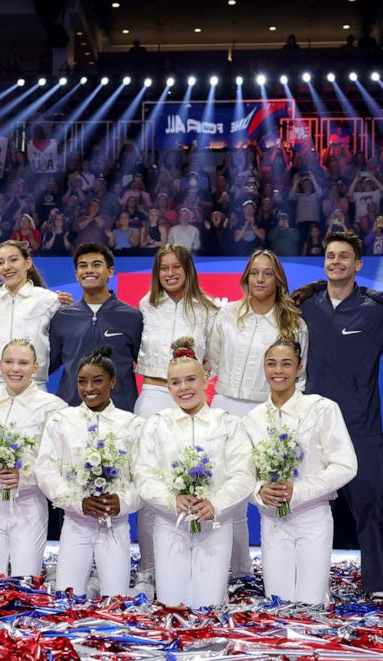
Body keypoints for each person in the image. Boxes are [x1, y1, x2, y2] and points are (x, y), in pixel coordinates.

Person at [297, 232, 383, 599]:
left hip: (360, 426)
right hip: (313, 428)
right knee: (307, 508)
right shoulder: (306, 306)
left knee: (369, 506)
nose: (336, 261)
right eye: (330, 256)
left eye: (344, 257)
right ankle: (306, 582)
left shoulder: (375, 310)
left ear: (358, 264)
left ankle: (378, 586)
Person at [208, 248, 308, 578]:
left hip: (268, 412)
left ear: (278, 279)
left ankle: (280, 571)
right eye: (255, 273)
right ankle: (236, 570)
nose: (260, 279)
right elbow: (212, 361)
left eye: (267, 273)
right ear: (246, 278)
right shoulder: (226, 315)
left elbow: (300, 378)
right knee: (227, 491)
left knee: (270, 490)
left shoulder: (293, 323)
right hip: (225, 406)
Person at [133, 337, 254, 607]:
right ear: (167, 386)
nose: (183, 388)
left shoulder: (228, 424)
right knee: (172, 606)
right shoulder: (156, 425)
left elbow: (243, 474)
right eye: (175, 382)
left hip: (214, 526)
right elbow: (143, 473)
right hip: (169, 526)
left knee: (209, 606)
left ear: (205, 380)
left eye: (190, 380)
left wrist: (216, 504)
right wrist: (171, 500)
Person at [241, 340, 357, 605]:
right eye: (271, 364)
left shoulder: (322, 409)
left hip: (313, 517)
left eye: (286, 363)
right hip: (273, 522)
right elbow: (241, 476)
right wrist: (259, 492)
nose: (278, 371)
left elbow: (345, 465)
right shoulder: (252, 420)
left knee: (311, 604)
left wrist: (300, 491)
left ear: (299, 368)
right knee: (278, 603)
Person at [132, 244, 219, 592]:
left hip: (189, 400)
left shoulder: (208, 309)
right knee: (152, 484)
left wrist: (189, 390)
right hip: (152, 395)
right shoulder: (146, 306)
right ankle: (149, 569)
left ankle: (195, 558)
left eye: (175, 267)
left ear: (188, 269)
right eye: (163, 268)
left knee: (194, 478)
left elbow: (212, 359)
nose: (169, 274)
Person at [36, 346, 144, 597]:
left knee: (115, 601)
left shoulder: (132, 425)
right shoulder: (61, 421)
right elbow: (46, 471)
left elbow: (143, 478)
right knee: (68, 598)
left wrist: (123, 502)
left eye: (98, 381)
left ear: (113, 382)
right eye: (82, 382)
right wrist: (77, 502)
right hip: (75, 524)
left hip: (115, 527)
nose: (89, 389)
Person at [0, 339, 67, 577]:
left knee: (25, 579)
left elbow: (57, 461)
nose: (15, 369)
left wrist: (25, 475)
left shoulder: (53, 406)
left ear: (36, 366)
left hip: (28, 502)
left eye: (23, 363)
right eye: (9, 362)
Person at [49, 243, 142, 412]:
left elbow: (147, 364)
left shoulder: (132, 317)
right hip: (72, 412)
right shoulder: (62, 317)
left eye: (96, 265)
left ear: (110, 271)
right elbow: (45, 365)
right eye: (83, 266)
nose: (89, 270)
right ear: (76, 274)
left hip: (120, 413)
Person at [0, 240, 63, 392]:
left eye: (13, 260)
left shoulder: (48, 301)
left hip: (33, 388)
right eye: (0, 262)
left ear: (27, 263)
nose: (6, 267)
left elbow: (57, 349)